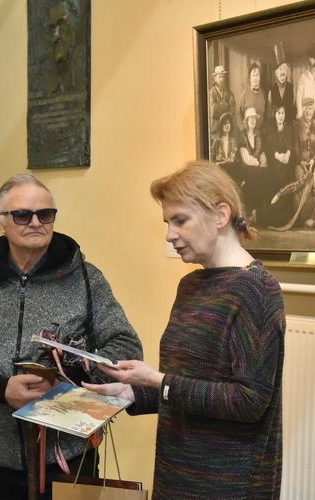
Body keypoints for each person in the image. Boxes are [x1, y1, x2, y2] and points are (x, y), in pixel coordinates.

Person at [85, 161, 285, 499]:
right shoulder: (191, 285)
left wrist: (157, 380)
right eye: (167, 223)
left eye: (180, 221)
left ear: (220, 215)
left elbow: (249, 401)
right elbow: (188, 383)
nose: (169, 235)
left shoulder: (257, 291)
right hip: (175, 474)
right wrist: (134, 393)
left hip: (228, 485)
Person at [0, 174, 143, 500]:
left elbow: (126, 347)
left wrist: (66, 380)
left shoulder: (86, 279)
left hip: (70, 460)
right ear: (1, 222)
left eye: (45, 214)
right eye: (22, 215)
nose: (36, 222)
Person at [267, 162, 315, 231]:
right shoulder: (308, 179)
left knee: (273, 220)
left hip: (297, 219)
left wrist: (314, 223)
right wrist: (279, 194)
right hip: (291, 206)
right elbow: (294, 186)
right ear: (313, 174)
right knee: (272, 210)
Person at [293, 97, 315, 181]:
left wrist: (314, 160)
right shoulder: (297, 125)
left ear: (313, 110)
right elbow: (295, 147)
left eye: (310, 108)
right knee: (301, 178)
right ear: (302, 109)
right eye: (306, 109)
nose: (308, 112)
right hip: (300, 163)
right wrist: (301, 161)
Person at [238, 62, 267, 131]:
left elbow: (266, 114)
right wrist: (243, 129)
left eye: (257, 75)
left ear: (259, 78)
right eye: (253, 75)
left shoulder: (263, 94)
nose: (255, 78)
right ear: (250, 78)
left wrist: (264, 130)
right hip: (248, 133)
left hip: (260, 133)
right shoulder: (244, 94)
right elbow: (239, 115)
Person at [209, 65, 237, 135]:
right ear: (215, 78)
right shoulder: (211, 93)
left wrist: (221, 109)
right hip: (215, 129)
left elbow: (233, 109)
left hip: (226, 128)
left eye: (223, 77)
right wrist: (226, 105)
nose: (222, 79)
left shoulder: (228, 92)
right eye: (219, 77)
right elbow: (213, 111)